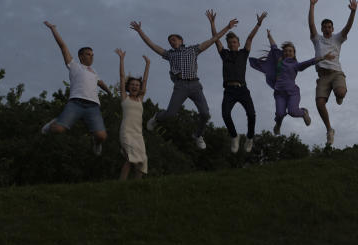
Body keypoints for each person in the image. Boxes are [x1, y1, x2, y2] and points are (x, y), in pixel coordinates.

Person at [128, 15, 238, 150]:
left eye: (173, 40)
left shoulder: (193, 50)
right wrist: (140, 31)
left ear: (181, 40)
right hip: (180, 86)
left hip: (195, 85)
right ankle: (157, 117)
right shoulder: (170, 54)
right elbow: (152, 45)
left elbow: (213, 39)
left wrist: (227, 27)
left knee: (205, 114)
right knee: (170, 114)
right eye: (170, 41)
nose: (171, 42)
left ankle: (198, 135)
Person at [40, 21, 112, 155]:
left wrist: (108, 91)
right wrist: (53, 29)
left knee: (101, 136)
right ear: (81, 56)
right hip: (76, 103)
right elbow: (63, 46)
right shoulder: (74, 65)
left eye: (92, 54)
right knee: (58, 130)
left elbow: (100, 82)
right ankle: (51, 124)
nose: (91, 56)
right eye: (88, 54)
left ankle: (95, 143)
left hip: (93, 106)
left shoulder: (94, 71)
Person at [249, 31, 334, 136]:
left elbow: (309, 62)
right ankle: (278, 125)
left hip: (292, 93)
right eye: (285, 51)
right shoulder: (279, 61)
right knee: (280, 114)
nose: (287, 53)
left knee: (292, 112)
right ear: (283, 53)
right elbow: (274, 47)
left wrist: (323, 57)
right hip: (279, 93)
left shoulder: (296, 65)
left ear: (294, 54)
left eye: (290, 51)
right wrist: (269, 36)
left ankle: (303, 113)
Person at [206, 9, 266, 153]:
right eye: (230, 42)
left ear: (238, 43)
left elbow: (250, 38)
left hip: (242, 89)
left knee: (251, 114)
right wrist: (212, 23)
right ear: (228, 44)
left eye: (234, 42)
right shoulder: (224, 54)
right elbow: (215, 39)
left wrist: (258, 24)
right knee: (225, 114)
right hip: (229, 90)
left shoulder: (243, 53)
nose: (232, 44)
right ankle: (234, 136)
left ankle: (250, 137)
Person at [308, 0, 357, 146]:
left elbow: (348, 28)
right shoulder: (317, 39)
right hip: (322, 76)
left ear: (332, 28)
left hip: (336, 73)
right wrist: (312, 6)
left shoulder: (337, 38)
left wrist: (353, 11)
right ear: (322, 29)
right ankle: (329, 130)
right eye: (325, 27)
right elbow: (311, 25)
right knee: (319, 103)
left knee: (341, 92)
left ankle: (339, 95)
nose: (327, 29)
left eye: (329, 27)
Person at [116, 48, 150, 180]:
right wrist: (121, 59)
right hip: (126, 132)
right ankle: (121, 185)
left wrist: (147, 65)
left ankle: (137, 185)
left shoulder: (140, 99)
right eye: (132, 84)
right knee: (131, 158)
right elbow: (122, 76)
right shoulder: (125, 97)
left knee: (142, 161)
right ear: (128, 87)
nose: (135, 86)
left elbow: (145, 81)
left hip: (138, 134)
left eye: (137, 85)